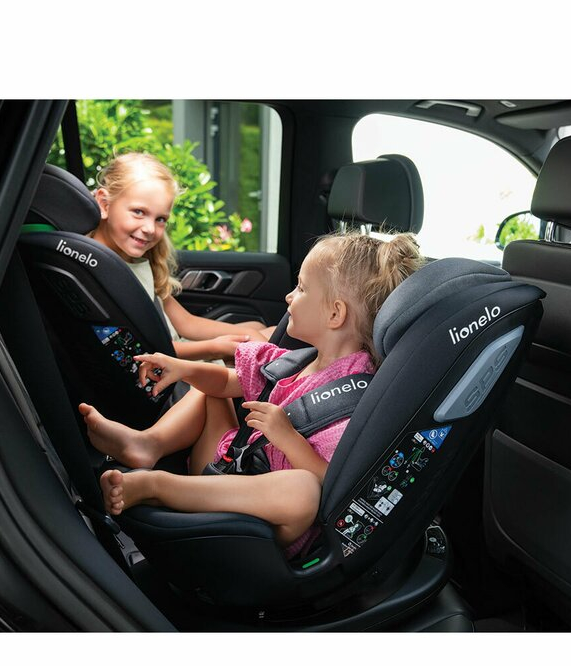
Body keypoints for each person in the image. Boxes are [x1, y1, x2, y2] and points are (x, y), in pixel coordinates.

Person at [79, 230, 423, 556]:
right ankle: (148, 444)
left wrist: (288, 437)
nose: (289, 296)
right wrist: (183, 368)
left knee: (303, 490)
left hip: (261, 521)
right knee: (211, 387)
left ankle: (157, 487)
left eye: (301, 288)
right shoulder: (299, 361)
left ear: (335, 313)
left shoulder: (353, 399)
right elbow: (226, 382)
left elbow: (336, 487)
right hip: (225, 471)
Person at [90, 152, 273, 361]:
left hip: (180, 354)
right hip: (171, 366)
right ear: (104, 204)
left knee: (261, 330)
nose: (150, 228)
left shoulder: (135, 262)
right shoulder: (98, 272)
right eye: (139, 212)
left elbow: (186, 323)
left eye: (160, 219)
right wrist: (215, 348)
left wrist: (246, 335)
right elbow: (139, 351)